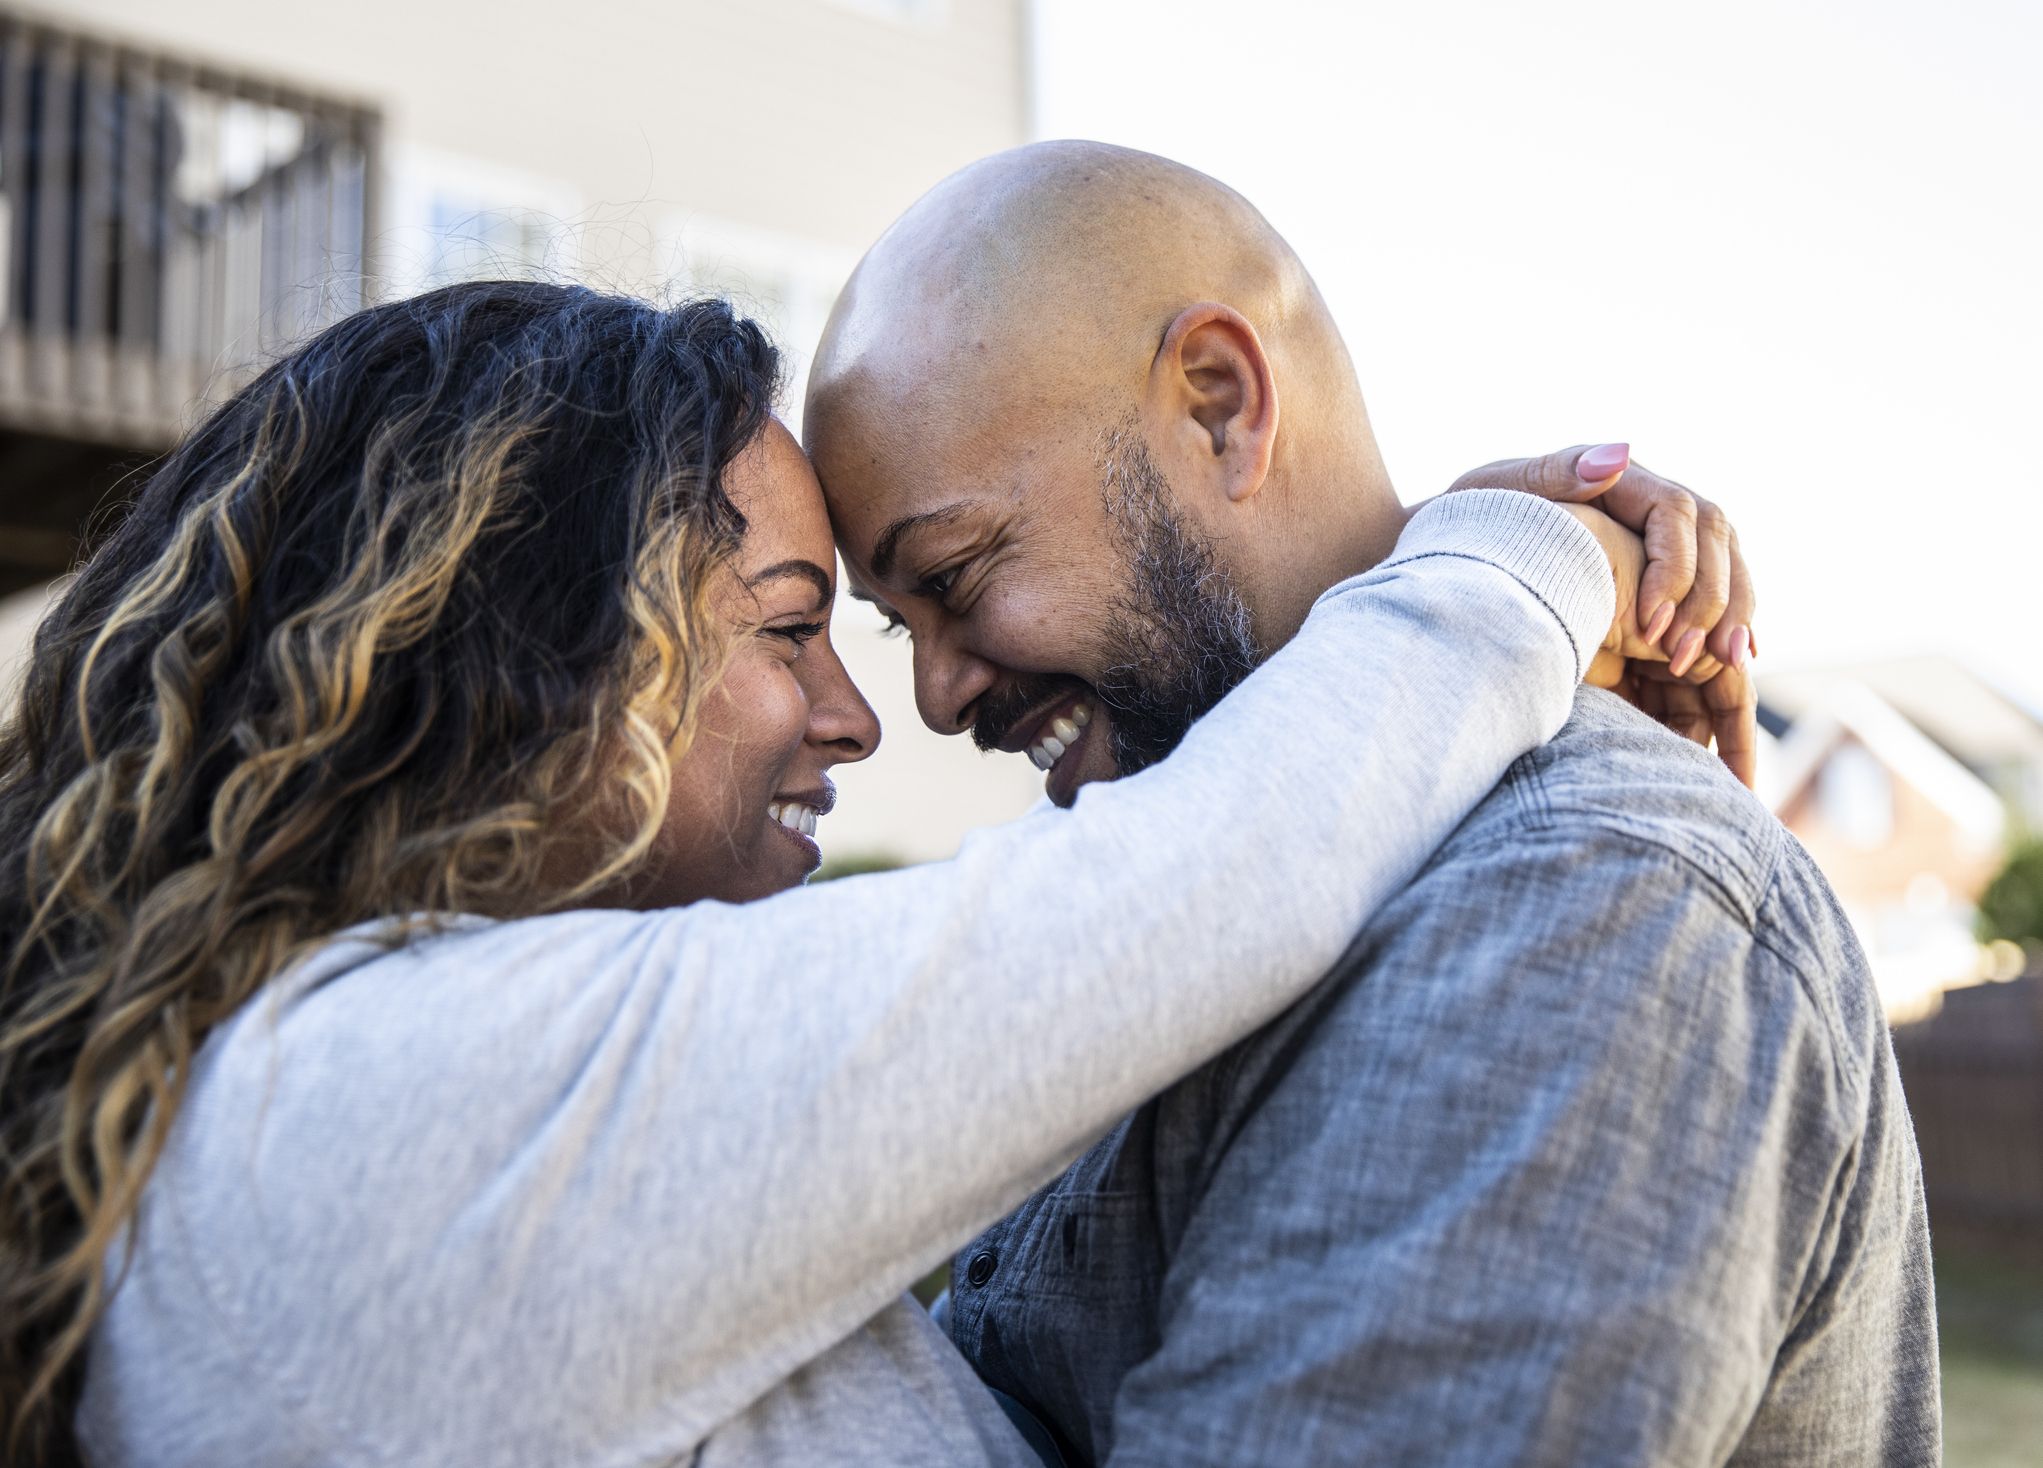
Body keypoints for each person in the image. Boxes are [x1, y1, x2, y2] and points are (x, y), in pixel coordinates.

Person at [0, 279, 1718, 1466]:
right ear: (532, 646)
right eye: (794, 630)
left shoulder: (326, 1107)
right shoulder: (379, 1115)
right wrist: (1528, 556)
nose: (859, 719)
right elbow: (1204, 886)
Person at [805, 141, 1939, 1466]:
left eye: (955, 571)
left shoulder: (1571, 910)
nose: (935, 696)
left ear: (1222, 404)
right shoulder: (1170, 879)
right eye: (898, 628)